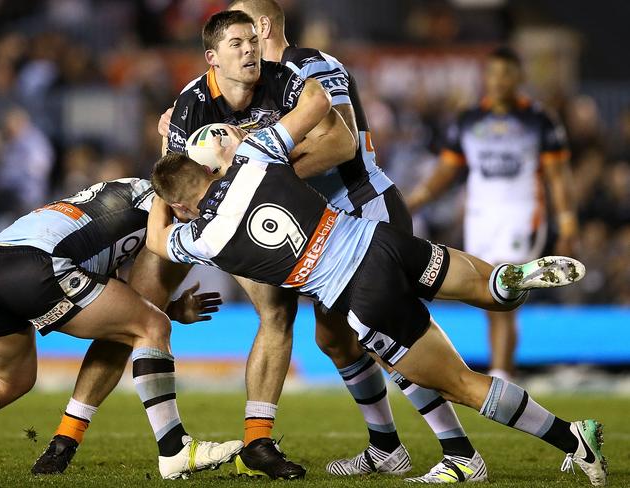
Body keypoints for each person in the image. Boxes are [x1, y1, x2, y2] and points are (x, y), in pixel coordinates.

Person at [146, 100, 605, 487]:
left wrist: (162, 180)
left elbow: (155, 240)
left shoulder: (201, 238)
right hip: (382, 241)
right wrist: (244, 131)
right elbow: (316, 104)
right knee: (485, 286)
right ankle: (503, 284)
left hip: (360, 293)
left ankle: (570, 438)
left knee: (459, 383)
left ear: (183, 205)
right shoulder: (257, 154)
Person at [34, 9, 356, 480]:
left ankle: (258, 441)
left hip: (253, 215)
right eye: (236, 45)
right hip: (194, 215)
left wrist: (254, 168)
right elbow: (170, 184)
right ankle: (66, 436)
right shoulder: (191, 105)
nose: (249, 51)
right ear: (212, 58)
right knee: (134, 310)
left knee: (278, 311)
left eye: (252, 41)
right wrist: (164, 240)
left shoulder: (283, 79)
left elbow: (341, 145)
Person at [222, 0, 492, 481]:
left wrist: (262, 185)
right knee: (334, 338)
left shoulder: (307, 65)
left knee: (393, 337)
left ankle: (461, 451)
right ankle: (386, 447)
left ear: (262, 25)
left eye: (240, 25)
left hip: (365, 209)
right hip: (332, 230)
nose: (235, 39)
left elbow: (340, 142)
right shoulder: (262, 87)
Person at [0, 178, 243, 479]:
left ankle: (69, 441)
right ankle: (175, 448)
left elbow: (113, 297)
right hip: (40, 265)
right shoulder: (159, 210)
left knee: (11, 381)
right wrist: (167, 311)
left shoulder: (122, 191)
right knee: (152, 325)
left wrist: (171, 307)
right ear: (179, 201)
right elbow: (139, 302)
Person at [406, 47, 578, 381]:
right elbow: (447, 170)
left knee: (504, 284)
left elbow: (558, 176)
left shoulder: (540, 121)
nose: (499, 81)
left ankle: (501, 375)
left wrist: (568, 222)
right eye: (493, 73)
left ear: (519, 78)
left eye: (507, 74)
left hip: (522, 214)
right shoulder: (468, 119)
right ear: (485, 78)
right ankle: (503, 372)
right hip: (480, 218)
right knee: (488, 295)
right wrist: (414, 200)